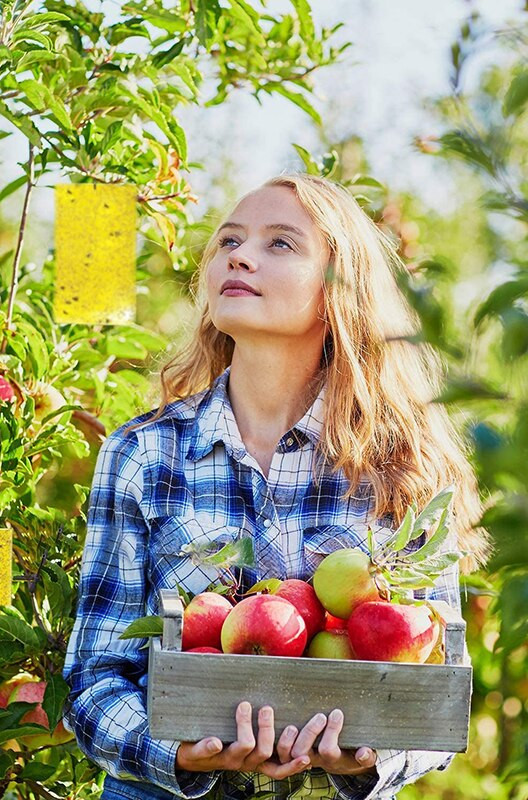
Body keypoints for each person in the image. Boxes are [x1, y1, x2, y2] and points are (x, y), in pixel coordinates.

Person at [62, 172, 491, 800]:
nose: (240, 254)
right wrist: (177, 752)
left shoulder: (401, 463)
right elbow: (95, 675)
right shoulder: (145, 452)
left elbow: (436, 684)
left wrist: (371, 757)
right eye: (229, 240)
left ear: (338, 291)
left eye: (280, 244)